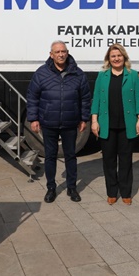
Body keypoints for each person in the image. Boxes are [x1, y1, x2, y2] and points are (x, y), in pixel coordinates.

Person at [27, 41, 91, 203]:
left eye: (63, 51)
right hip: (49, 123)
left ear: (67, 53)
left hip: (70, 123)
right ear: (51, 55)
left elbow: (85, 98)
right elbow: (33, 97)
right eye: (57, 52)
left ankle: (72, 188)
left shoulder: (78, 73)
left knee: (71, 156)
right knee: (50, 156)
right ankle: (51, 188)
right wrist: (33, 119)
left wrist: (84, 118)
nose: (61, 55)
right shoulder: (41, 73)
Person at [91, 44, 139, 206]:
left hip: (127, 125)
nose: (116, 58)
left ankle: (126, 192)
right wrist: (94, 120)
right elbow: (96, 98)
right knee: (109, 160)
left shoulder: (132, 75)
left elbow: (138, 98)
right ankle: (112, 192)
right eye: (113, 56)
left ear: (124, 57)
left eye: (119, 55)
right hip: (107, 124)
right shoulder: (102, 76)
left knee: (126, 160)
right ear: (109, 59)